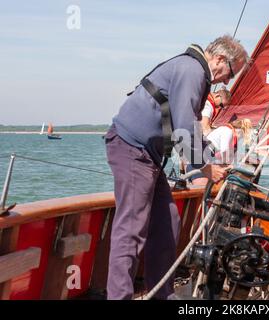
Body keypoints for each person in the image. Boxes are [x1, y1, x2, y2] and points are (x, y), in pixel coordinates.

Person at [104, 35, 249, 300]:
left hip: (146, 156)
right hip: (131, 149)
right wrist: (206, 169)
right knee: (132, 229)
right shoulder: (192, 70)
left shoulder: (194, 72)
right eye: (230, 73)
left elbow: (190, 128)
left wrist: (210, 159)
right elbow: (183, 128)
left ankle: (162, 294)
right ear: (219, 59)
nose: (227, 81)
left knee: (167, 220)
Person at [189, 118, 253, 185]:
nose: (239, 139)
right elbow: (225, 151)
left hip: (198, 161)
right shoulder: (228, 131)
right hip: (202, 162)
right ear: (240, 131)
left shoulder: (222, 129)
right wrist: (231, 165)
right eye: (241, 137)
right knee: (201, 191)